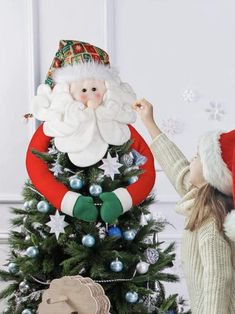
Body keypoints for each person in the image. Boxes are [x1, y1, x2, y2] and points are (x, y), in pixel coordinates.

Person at [132, 98, 235, 314]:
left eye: (197, 157)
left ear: (210, 176)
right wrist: (149, 122)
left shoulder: (211, 221)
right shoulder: (199, 197)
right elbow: (176, 167)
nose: (192, 159)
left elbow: (218, 278)